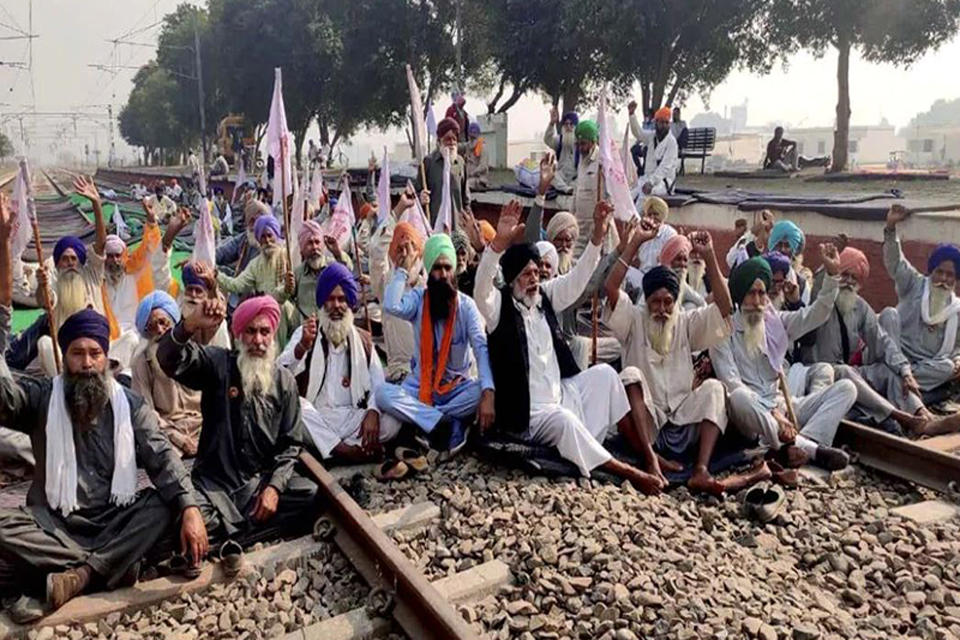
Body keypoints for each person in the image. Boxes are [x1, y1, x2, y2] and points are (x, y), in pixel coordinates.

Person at [0, 202, 207, 612]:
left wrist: (190, 508)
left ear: (106, 357)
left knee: (164, 506)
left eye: (95, 353)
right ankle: (109, 567)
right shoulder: (43, 398)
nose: (87, 362)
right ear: (65, 358)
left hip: (115, 517)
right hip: (55, 522)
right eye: (77, 353)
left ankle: (78, 576)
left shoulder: (128, 404)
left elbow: (163, 457)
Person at [474, 200, 661, 492]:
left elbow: (578, 279)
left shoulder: (544, 297)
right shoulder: (498, 308)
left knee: (606, 375)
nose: (534, 279)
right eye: (526, 274)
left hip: (562, 394)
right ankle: (630, 473)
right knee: (565, 422)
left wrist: (597, 236)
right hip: (531, 413)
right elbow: (481, 288)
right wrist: (497, 244)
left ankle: (647, 454)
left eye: (536, 272)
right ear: (512, 280)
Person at [157, 295, 317, 544]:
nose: (258, 340)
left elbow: (291, 444)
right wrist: (190, 324)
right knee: (187, 514)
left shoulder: (284, 382)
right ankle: (250, 532)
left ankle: (230, 534)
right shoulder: (218, 364)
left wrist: (274, 488)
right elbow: (169, 359)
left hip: (257, 485)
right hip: (213, 487)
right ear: (239, 335)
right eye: (251, 331)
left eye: (265, 332)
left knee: (309, 493)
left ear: (273, 335)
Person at [605, 224, 741, 495]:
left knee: (715, 389)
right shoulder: (634, 319)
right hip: (647, 423)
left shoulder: (686, 322)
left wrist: (709, 255)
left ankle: (701, 469)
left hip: (682, 419)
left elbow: (725, 308)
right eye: (655, 302)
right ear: (647, 302)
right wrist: (636, 242)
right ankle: (650, 459)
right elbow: (611, 286)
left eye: (668, 302)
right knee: (629, 376)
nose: (662, 309)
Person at [710, 254, 855, 471]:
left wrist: (832, 275)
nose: (757, 302)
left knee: (846, 388)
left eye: (761, 293)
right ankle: (810, 449)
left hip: (781, 408)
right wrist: (773, 414)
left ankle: (801, 446)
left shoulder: (775, 323)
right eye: (751, 293)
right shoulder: (723, 332)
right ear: (739, 295)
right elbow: (731, 383)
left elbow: (815, 315)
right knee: (738, 397)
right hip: (750, 417)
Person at [800, 246, 952, 436]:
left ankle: (922, 414)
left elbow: (883, 341)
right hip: (818, 373)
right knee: (845, 371)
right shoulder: (821, 301)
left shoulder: (860, 307)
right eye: (844, 275)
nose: (849, 282)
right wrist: (829, 266)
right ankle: (901, 417)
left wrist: (905, 372)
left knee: (888, 371)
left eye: (855, 278)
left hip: (849, 374)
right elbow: (819, 287)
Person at [376, 234, 495, 453]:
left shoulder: (466, 307)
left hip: (456, 388)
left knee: (484, 389)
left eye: (447, 267)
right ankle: (445, 423)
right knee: (383, 393)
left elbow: (480, 348)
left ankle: (424, 421)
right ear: (429, 271)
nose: (444, 274)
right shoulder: (418, 300)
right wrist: (403, 270)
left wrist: (488, 392)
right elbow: (391, 306)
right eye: (437, 268)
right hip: (420, 386)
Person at [279, 264, 402, 461]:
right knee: (296, 406)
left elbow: (378, 382)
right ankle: (346, 451)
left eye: (342, 299)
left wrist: (372, 411)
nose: (336, 305)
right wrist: (301, 347)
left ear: (350, 303)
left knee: (392, 421)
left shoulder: (363, 340)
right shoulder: (306, 333)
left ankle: (332, 448)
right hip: (318, 417)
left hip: (353, 417)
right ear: (322, 303)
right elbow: (280, 375)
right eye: (330, 299)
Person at [6, 177, 108, 375]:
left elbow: (101, 244)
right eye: (64, 259)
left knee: (130, 341)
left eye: (73, 259)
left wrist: (96, 204)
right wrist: (41, 284)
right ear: (58, 264)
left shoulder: (92, 274)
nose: (70, 263)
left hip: (95, 350)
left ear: (80, 261)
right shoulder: (54, 281)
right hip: (68, 355)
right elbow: (45, 302)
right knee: (45, 343)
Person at [881, 204, 960, 417]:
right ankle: (899, 380)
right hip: (896, 355)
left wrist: (958, 360)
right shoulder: (914, 283)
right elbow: (895, 262)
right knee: (888, 314)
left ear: (956, 280)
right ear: (932, 271)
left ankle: (895, 382)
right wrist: (891, 226)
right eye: (940, 272)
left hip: (925, 368)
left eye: (950, 275)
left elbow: (956, 349)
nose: (943, 279)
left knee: (947, 367)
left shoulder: (956, 310)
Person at [131, 292, 203, 457]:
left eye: (163, 322)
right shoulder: (142, 362)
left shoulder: (195, 351)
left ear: (174, 321)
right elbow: (146, 410)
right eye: (151, 327)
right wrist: (179, 438)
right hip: (169, 434)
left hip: (204, 427)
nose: (159, 330)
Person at [216, 214, 294, 339]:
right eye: (263, 237)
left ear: (276, 235)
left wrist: (287, 288)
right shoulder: (255, 264)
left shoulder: (288, 256)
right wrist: (216, 275)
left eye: (269, 235)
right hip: (264, 314)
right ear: (258, 239)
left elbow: (291, 289)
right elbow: (236, 285)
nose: (267, 240)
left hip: (286, 316)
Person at [370, 216, 425, 382]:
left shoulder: (430, 286)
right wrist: (396, 212)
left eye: (411, 248)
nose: (406, 255)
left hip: (429, 374)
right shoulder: (386, 284)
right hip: (400, 373)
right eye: (400, 249)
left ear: (419, 253)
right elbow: (377, 252)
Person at [287, 219, 351, 324]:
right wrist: (287, 288)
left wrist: (338, 253)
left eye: (317, 242)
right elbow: (282, 296)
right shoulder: (298, 273)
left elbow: (348, 271)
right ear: (302, 249)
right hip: (305, 325)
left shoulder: (333, 267)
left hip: (331, 323)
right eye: (310, 243)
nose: (315, 247)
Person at [416, 118, 469, 232]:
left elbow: (466, 199)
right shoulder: (428, 163)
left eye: (454, 139)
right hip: (434, 228)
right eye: (448, 139)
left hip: (457, 229)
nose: (452, 142)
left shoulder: (460, 163)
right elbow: (416, 193)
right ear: (439, 141)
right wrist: (421, 197)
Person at [570, 119, 605, 259]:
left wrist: (601, 224)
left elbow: (609, 197)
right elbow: (578, 190)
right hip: (579, 225)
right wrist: (571, 215)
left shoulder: (602, 162)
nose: (580, 148)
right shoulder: (582, 159)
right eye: (578, 144)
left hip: (595, 226)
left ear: (593, 141)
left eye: (583, 144)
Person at [629, 103, 679, 198]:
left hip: (663, 182)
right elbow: (638, 133)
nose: (664, 125)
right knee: (630, 195)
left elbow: (665, 167)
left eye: (666, 123)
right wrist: (632, 115)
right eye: (661, 122)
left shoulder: (672, 142)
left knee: (646, 194)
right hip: (647, 179)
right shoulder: (651, 137)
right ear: (656, 123)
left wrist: (651, 183)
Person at [659, 234, 707, 310]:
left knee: (690, 306)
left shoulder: (681, 283)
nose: (682, 264)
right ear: (669, 260)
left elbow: (702, 302)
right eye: (678, 259)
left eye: (685, 260)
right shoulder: (657, 280)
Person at [543, 108, 580, 189]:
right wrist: (552, 123)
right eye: (566, 124)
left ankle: (568, 188)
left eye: (571, 124)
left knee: (583, 179)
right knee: (551, 175)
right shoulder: (560, 140)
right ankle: (566, 189)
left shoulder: (581, 142)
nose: (568, 127)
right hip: (561, 176)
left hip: (576, 177)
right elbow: (547, 139)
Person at [464, 122, 490, 191]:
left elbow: (483, 166)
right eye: (471, 137)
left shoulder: (483, 148)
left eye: (474, 137)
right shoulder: (468, 146)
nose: (472, 139)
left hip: (479, 180)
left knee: (465, 185)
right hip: (469, 178)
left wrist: (472, 173)